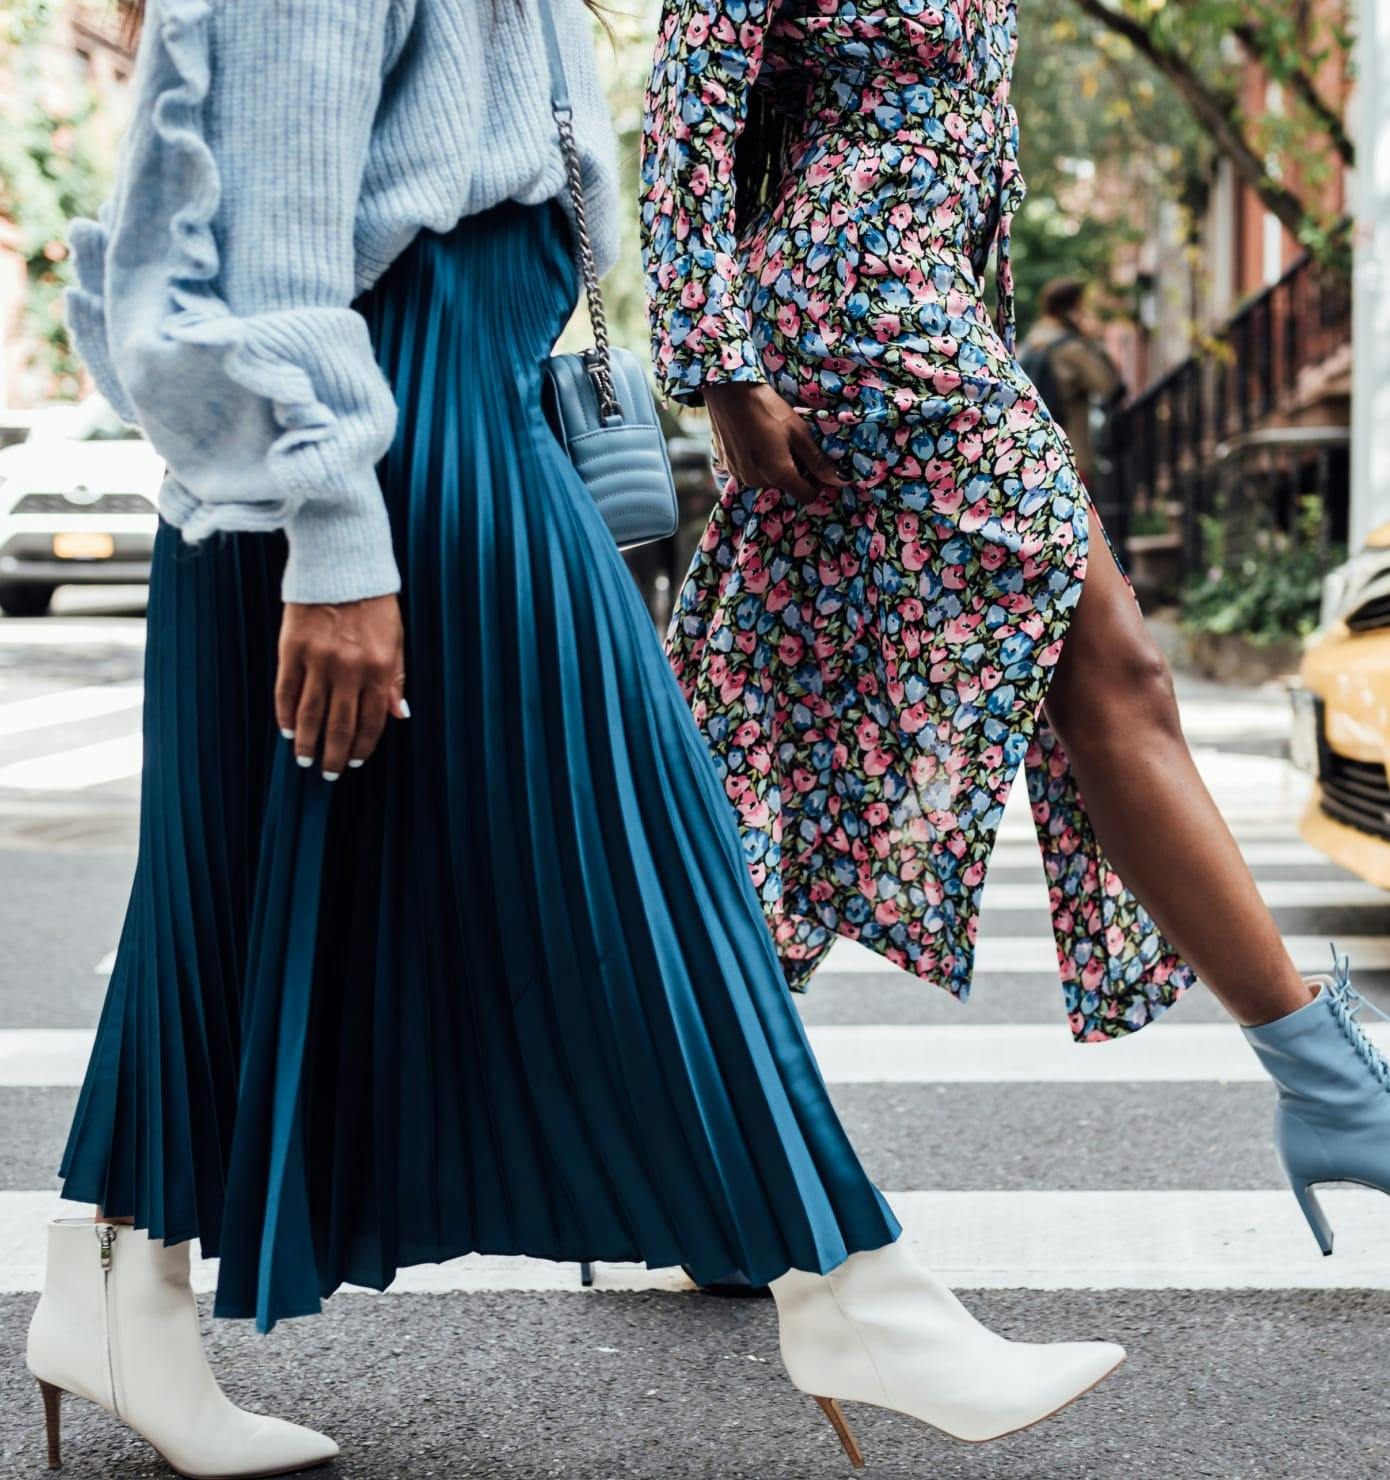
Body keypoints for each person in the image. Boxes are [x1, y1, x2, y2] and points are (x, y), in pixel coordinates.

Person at [24, 2, 1129, 1475]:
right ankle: (851, 1286)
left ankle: (112, 1296)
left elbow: (543, 198)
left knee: (247, 877)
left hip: (470, 413)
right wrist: (337, 531)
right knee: (632, 844)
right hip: (383, 435)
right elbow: (277, 221)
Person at [642, 0, 1390, 1267]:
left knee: (791, 726)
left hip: (929, 312)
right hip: (861, 312)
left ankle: (696, 1139)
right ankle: (1335, 1092)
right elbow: (687, 118)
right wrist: (720, 366)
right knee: (1108, 674)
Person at [1018, 276, 1125, 489]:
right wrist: (1093, 339)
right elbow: (1110, 386)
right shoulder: (1070, 348)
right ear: (1073, 309)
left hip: (1036, 453)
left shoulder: (1031, 342)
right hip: (1072, 455)